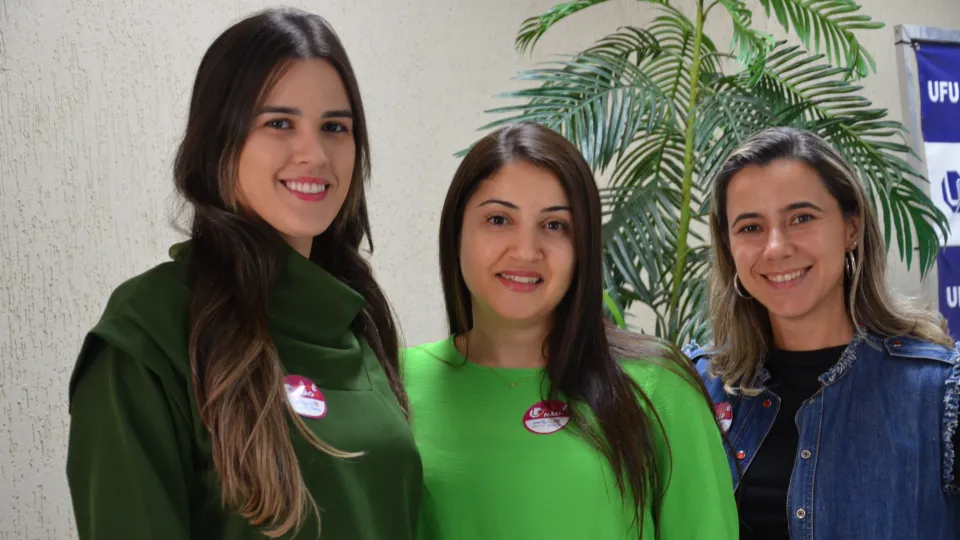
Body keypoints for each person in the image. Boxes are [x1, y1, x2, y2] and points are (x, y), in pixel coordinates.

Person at [65, 8, 421, 540]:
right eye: (279, 123)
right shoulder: (149, 331)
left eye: (334, 127)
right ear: (219, 142)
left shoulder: (357, 319)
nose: (314, 154)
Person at [403, 122, 738, 540]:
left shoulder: (658, 388)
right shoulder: (393, 383)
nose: (526, 251)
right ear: (456, 233)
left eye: (555, 225)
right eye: (498, 219)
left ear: (583, 246)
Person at [684, 126, 960, 539]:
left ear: (851, 228)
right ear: (728, 247)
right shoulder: (699, 389)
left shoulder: (939, 393)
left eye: (801, 218)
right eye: (751, 227)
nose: (776, 247)